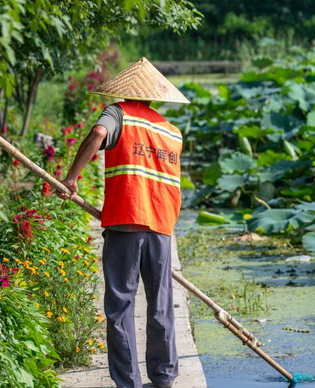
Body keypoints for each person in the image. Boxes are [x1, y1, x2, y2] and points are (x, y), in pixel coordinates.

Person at [57, 57, 190, 388]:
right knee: (160, 303)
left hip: (126, 222)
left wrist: (72, 178)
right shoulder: (170, 131)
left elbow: (96, 135)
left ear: (126, 91)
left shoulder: (117, 114)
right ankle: (163, 377)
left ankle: (128, 382)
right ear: (153, 95)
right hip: (161, 224)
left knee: (120, 304)